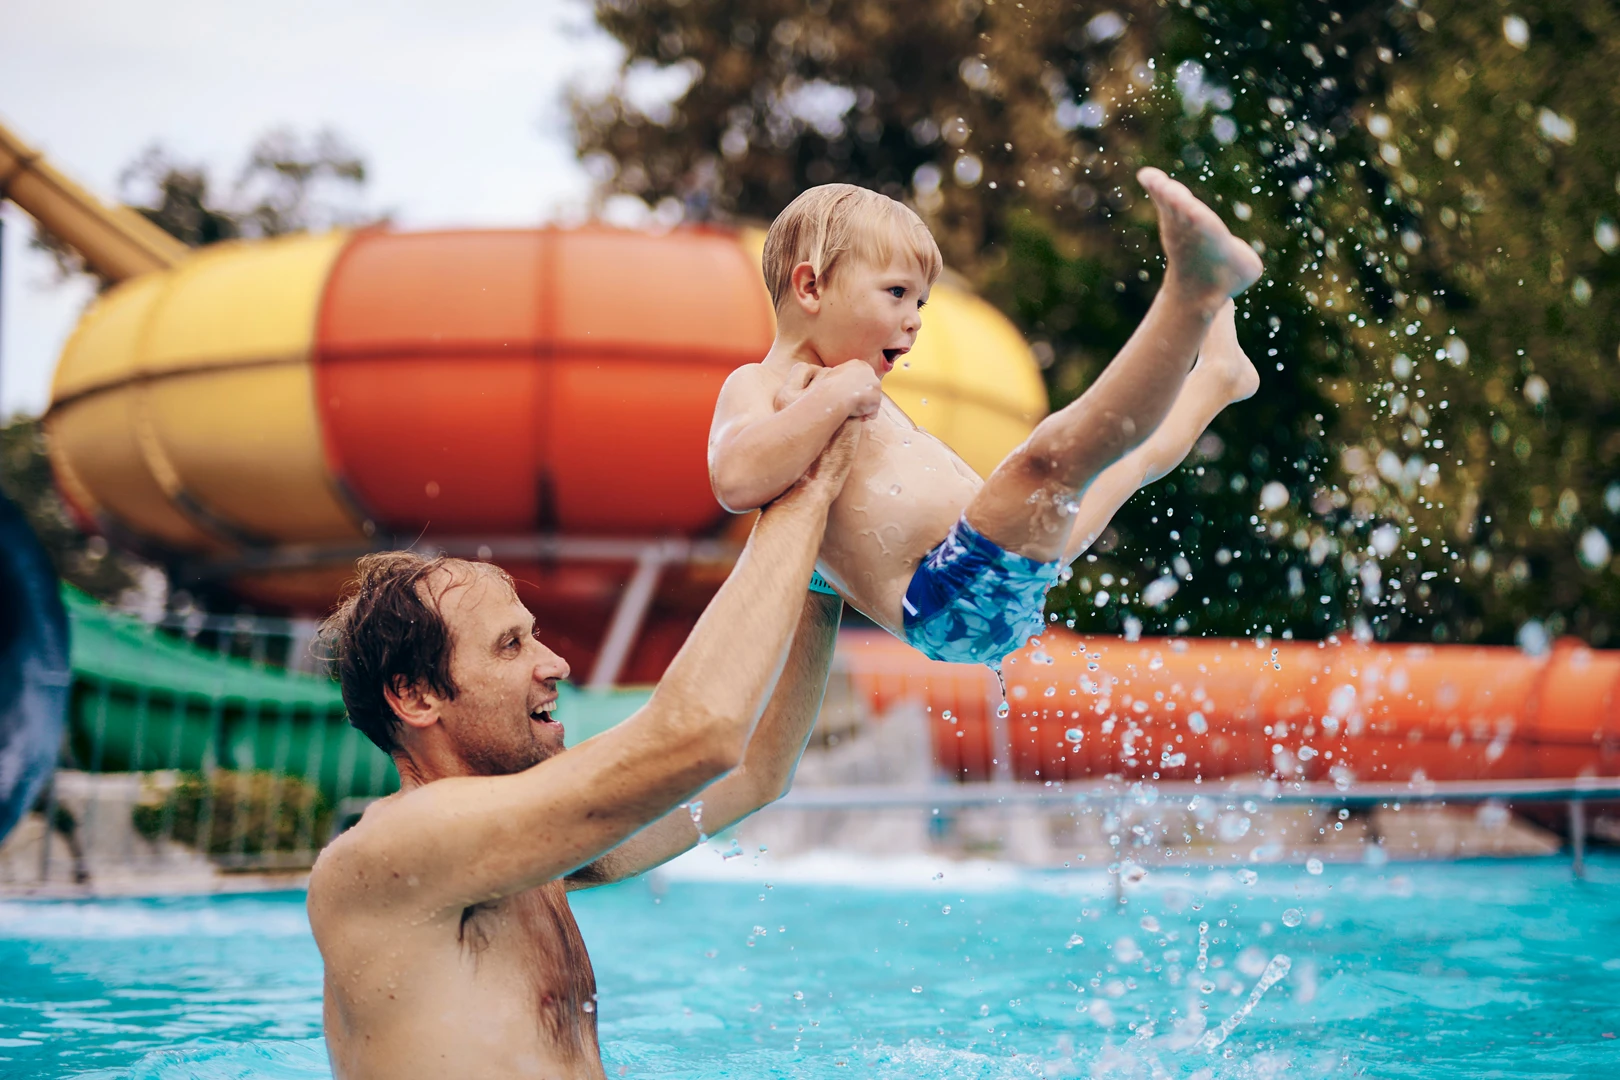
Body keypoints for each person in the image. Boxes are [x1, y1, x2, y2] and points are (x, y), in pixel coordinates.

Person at [306, 423, 859, 1080]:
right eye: (510, 646)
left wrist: (821, 578)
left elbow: (755, 771)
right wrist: (806, 497)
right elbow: (701, 737)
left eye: (533, 635)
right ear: (416, 695)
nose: (556, 663)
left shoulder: (531, 858)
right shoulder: (391, 853)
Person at [708, 169, 1263, 668]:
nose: (914, 320)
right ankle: (1190, 294)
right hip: (939, 595)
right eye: (897, 293)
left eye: (920, 303)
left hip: (991, 565)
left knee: (1124, 463)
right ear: (810, 287)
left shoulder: (855, 385)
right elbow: (735, 477)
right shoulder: (761, 384)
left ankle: (1217, 378)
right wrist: (833, 397)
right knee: (1047, 458)